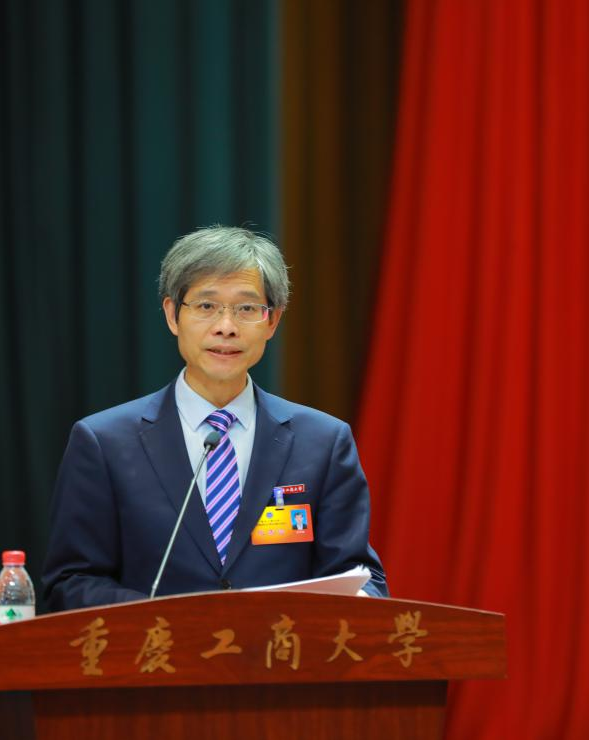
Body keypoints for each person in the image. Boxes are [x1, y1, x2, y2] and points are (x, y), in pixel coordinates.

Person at [42, 226, 388, 611]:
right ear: (172, 315)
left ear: (272, 321)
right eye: (207, 306)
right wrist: (178, 619)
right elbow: (70, 584)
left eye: (247, 309)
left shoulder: (323, 442)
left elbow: (361, 576)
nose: (226, 326)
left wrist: (357, 600)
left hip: (280, 648)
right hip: (159, 648)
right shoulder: (104, 442)